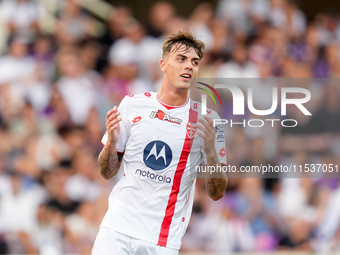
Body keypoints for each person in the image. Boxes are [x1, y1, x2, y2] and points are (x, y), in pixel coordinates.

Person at [92, 30, 227, 255]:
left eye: (195, 62)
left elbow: (217, 193)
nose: (189, 66)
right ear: (163, 65)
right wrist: (111, 142)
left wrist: (211, 152)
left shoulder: (209, 120)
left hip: (162, 240)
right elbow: (107, 171)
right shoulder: (132, 105)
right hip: (117, 229)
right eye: (181, 59)